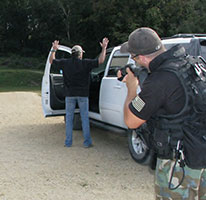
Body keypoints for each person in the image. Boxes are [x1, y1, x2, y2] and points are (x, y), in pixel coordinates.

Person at [119, 27, 206, 199]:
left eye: (133, 57)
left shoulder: (160, 80)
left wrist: (131, 89)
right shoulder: (192, 63)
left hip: (180, 165)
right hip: (200, 154)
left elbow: (131, 120)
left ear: (141, 57)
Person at [49, 38, 109, 148]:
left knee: (69, 119)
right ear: (80, 54)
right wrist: (104, 48)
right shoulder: (85, 63)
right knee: (85, 118)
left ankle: (68, 142)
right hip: (83, 95)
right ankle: (87, 142)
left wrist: (54, 50)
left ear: (72, 54)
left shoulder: (66, 63)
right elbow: (100, 61)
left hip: (69, 95)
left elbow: (52, 61)